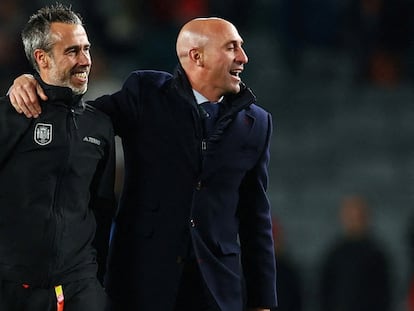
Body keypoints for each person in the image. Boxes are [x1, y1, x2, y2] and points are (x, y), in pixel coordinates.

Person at [8, 17, 277, 311]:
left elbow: (255, 218)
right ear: (196, 56)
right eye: (231, 47)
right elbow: (80, 118)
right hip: (142, 282)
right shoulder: (146, 93)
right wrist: (34, 84)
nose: (243, 57)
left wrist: (262, 302)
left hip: (217, 289)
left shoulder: (257, 123)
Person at [0, 4, 115, 311]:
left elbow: (101, 207)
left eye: (87, 49)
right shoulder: (10, 115)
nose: (85, 61)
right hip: (14, 289)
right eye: (73, 51)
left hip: (81, 286)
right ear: (42, 58)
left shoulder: (100, 125)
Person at [318, 195, 392, 311]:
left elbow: (385, 295)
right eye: (350, 216)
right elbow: (324, 293)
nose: (354, 220)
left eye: (358, 216)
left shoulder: (376, 255)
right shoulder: (334, 255)